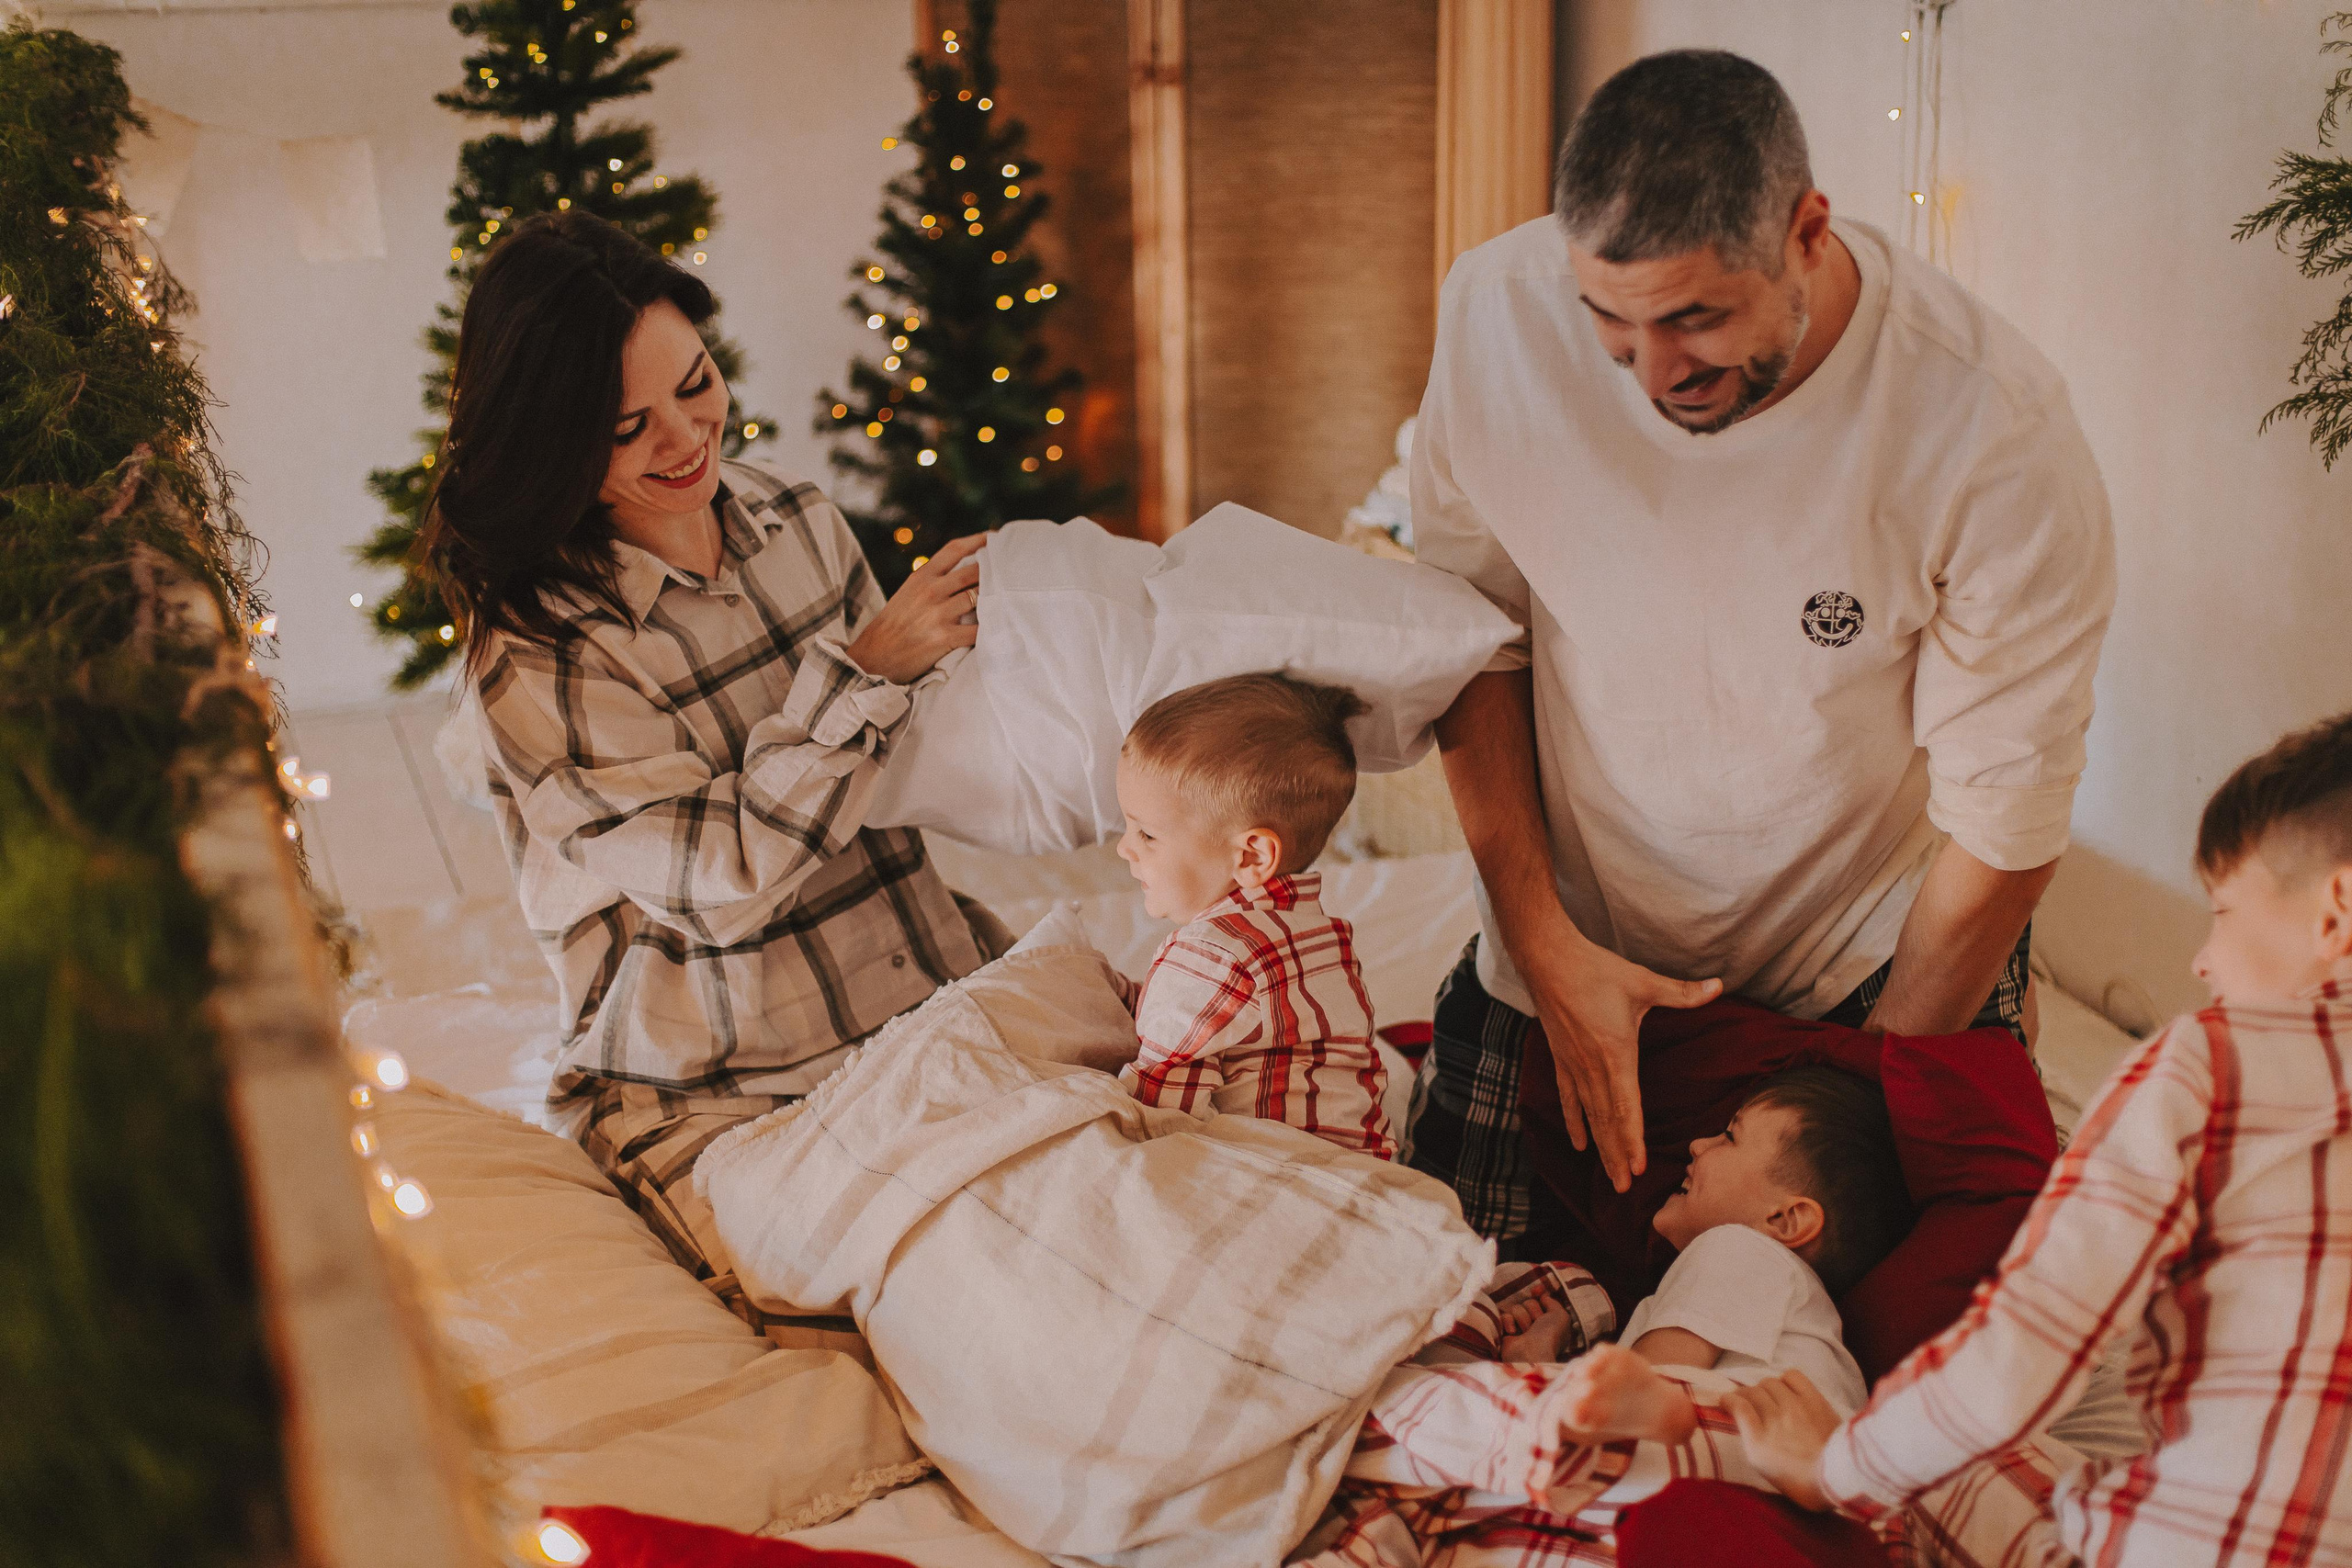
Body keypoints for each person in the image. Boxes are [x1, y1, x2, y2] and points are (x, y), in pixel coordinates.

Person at [1410, 49, 2117, 1242]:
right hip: (1576, 921)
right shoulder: (1495, 314)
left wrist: (1862, 1081)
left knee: (1899, 1339)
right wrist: (1542, 944)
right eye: (1611, 326)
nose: (1656, 374)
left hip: (1876, 936)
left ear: (1807, 231)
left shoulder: (1990, 427)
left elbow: (2007, 817)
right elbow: (1471, 643)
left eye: (1697, 319)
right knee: (1448, 1278)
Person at [426, 210, 1006, 1326]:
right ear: (552, 441)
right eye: (624, 427)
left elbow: (907, 762)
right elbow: (725, 886)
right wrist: (867, 671)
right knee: (953, 1307)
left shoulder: (794, 515)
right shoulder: (538, 653)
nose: (686, 437)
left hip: (921, 995)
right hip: (722, 1087)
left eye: (697, 383)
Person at [1726, 711, 2352, 1567]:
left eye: (2224, 910)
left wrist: (1836, 1466)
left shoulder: (2209, 1064)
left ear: (2337, 909)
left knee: (1937, 1462)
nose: (2205, 962)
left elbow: (2024, 1353)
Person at [1297, 1066, 1915, 1566]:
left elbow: (1661, 1370)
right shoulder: (1797, 1320)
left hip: (1733, 1446)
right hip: (1744, 1512)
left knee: (1405, 1413)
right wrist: (1543, 1359)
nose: (1698, 1144)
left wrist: (1560, 1376)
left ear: (1786, 1220)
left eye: (1729, 1135)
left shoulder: (1745, 1249)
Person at [1110, 671, 1394, 1157]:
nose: (1123, 849)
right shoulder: (1320, 934)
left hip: (1290, 1182)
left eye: (1148, 835)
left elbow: (1150, 1119)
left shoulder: (1209, 954)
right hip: (1365, 1164)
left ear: (1252, 857)